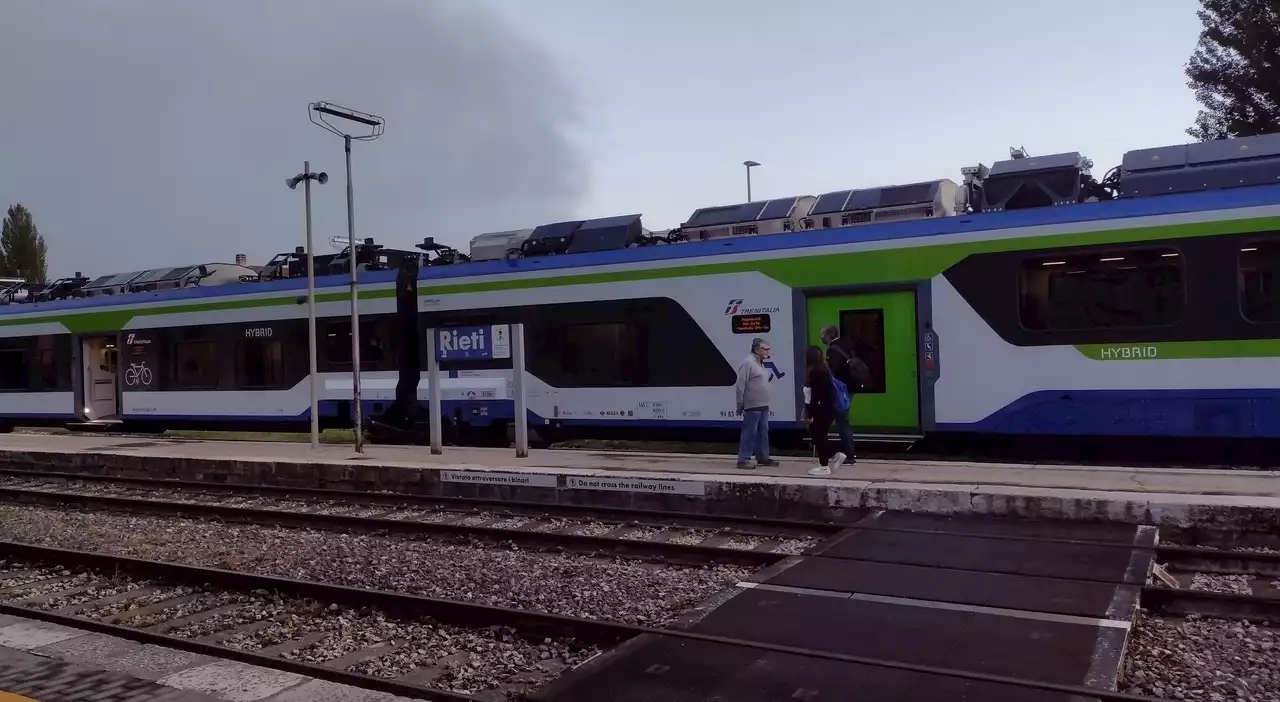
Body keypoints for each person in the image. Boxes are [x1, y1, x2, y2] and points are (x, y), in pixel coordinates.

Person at [734, 337, 779, 470]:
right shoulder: (748, 363)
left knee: (763, 432)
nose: (768, 351)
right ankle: (743, 459)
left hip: (763, 404)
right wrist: (739, 403)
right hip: (752, 404)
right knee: (750, 432)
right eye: (765, 349)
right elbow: (740, 385)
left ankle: (763, 457)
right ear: (757, 349)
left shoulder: (760, 363)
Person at [820, 324, 862, 463]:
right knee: (841, 420)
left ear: (829, 335)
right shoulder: (846, 345)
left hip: (840, 391)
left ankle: (849, 456)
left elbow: (834, 373)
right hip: (849, 388)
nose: (821, 337)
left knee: (841, 421)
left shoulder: (833, 350)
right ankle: (845, 453)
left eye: (822, 334)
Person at [803, 345, 848, 476]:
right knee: (820, 436)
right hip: (827, 410)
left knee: (818, 437)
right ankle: (827, 462)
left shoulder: (815, 372)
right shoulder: (824, 369)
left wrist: (810, 413)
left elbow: (814, 395)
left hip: (820, 410)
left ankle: (831, 459)